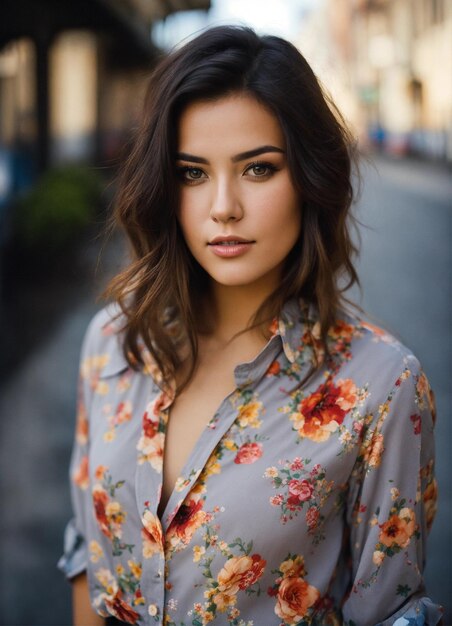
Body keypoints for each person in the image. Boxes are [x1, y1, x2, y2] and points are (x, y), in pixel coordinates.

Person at [58, 25, 442, 626]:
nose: (223, 207)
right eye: (192, 173)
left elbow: (390, 610)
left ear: (310, 179)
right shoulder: (111, 342)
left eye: (258, 169)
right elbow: (88, 555)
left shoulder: (381, 388)